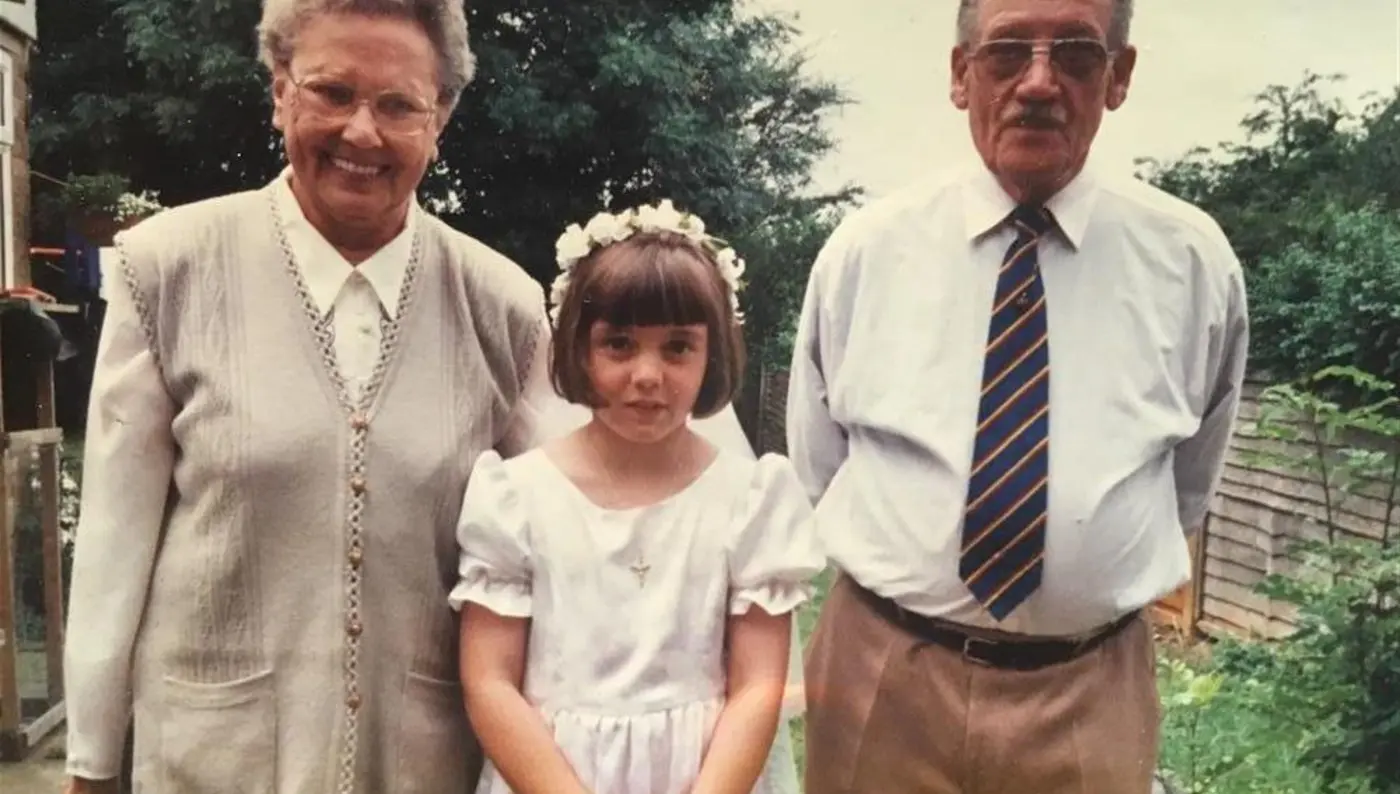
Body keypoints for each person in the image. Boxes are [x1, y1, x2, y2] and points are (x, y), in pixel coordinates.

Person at [58, 2, 766, 792]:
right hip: (213, 760)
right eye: (331, 92)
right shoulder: (167, 270)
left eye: (398, 105)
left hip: (425, 765)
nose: (362, 132)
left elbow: (603, 516)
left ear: (442, 119)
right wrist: (90, 763)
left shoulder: (501, 304)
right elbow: (114, 542)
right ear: (279, 90)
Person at [787, 0, 1250, 792]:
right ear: (961, 75)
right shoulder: (866, 253)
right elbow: (819, 461)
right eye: (1007, 54)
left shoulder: (1191, 263)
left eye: (1074, 53)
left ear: (1120, 76)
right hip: (884, 674)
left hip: (1088, 688)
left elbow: (1188, 480)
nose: (1038, 83)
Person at [453, 202, 825, 794]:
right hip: (551, 776)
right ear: (579, 350)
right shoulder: (517, 496)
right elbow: (489, 680)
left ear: (712, 355)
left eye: (677, 347)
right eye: (620, 345)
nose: (648, 374)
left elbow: (758, 686)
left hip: (705, 775)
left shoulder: (748, 498)